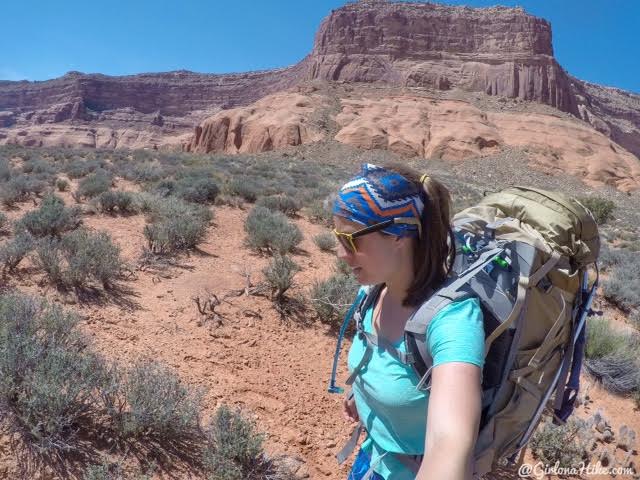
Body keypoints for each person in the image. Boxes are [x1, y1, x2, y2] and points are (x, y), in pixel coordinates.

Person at [331, 162, 485, 480]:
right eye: (337, 238)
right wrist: (364, 396)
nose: (340, 253)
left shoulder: (454, 322)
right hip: (372, 457)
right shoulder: (372, 292)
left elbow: (450, 442)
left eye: (351, 240)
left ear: (398, 236)